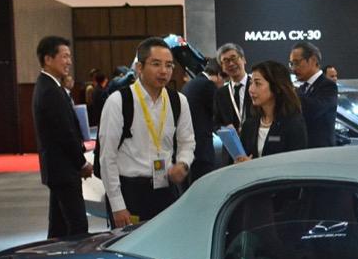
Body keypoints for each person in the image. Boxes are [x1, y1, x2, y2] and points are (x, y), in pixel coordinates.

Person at [99, 37, 195, 228]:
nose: (164, 71)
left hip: (166, 188)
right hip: (131, 191)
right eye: (156, 64)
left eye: (169, 65)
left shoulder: (178, 101)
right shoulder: (119, 101)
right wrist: (117, 205)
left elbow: (187, 141)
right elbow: (107, 157)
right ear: (139, 68)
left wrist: (183, 163)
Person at [32, 37, 91, 237]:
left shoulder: (50, 86)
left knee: (59, 228)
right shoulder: (50, 90)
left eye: (69, 57)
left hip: (58, 169)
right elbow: (65, 133)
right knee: (77, 227)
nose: (69, 62)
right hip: (63, 169)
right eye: (64, 56)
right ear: (48, 59)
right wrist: (82, 163)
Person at [236, 61, 307, 161]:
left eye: (257, 83)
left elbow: (296, 163)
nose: (251, 89)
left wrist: (255, 165)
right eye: (251, 83)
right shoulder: (249, 125)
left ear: (276, 87)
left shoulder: (293, 124)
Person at [289, 42, 337, 148]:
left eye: (296, 63)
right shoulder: (302, 88)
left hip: (320, 151)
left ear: (313, 60)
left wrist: (292, 91)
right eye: (291, 64)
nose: (293, 69)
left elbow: (313, 110)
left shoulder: (328, 86)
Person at [181, 59, 218, 183]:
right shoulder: (208, 85)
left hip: (190, 145)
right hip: (202, 147)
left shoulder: (190, 84)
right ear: (218, 75)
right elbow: (218, 112)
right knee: (207, 185)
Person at [213, 43, 252, 132]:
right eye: (225, 61)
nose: (230, 63)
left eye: (233, 58)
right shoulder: (220, 93)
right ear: (222, 67)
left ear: (243, 59)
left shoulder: (256, 87)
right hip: (231, 140)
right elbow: (216, 123)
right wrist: (225, 129)